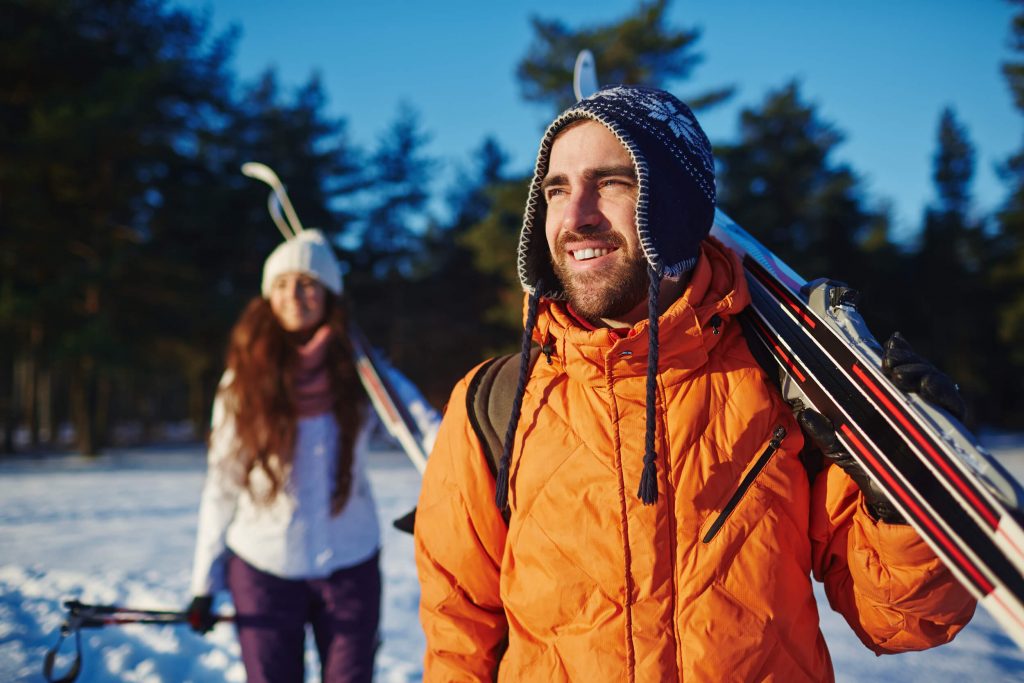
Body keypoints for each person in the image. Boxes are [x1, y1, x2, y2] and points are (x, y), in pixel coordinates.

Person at [413, 86, 977, 682]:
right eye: (556, 189)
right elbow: (458, 632)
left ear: (676, 205)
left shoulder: (785, 378)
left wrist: (908, 498)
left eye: (611, 183)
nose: (575, 215)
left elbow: (903, 621)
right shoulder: (495, 401)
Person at [187, 228, 435, 683]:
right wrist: (204, 583)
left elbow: (422, 425)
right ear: (267, 296)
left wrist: (447, 482)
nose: (293, 295)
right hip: (264, 566)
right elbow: (222, 484)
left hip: (350, 561)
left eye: (307, 283)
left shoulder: (360, 371)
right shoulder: (241, 382)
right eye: (281, 284)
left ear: (328, 294)